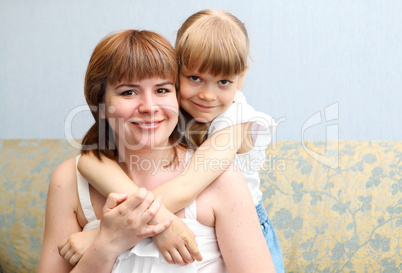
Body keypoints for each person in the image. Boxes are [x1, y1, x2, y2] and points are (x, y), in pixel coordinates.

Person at [39, 29, 275, 273]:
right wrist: (108, 242)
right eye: (128, 92)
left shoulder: (220, 176)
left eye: (162, 90)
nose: (149, 107)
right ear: (100, 103)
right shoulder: (69, 180)